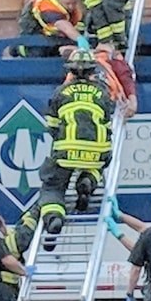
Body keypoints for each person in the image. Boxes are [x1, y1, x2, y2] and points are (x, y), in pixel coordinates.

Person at [38, 49, 115, 250]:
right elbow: (107, 125)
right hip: (97, 152)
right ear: (92, 71)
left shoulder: (60, 92)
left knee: (53, 187)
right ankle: (87, 181)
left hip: (65, 153)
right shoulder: (103, 92)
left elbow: (52, 127)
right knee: (99, 163)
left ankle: (54, 218)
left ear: (70, 71)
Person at [5, 0, 88, 58]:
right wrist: (79, 39)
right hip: (32, 21)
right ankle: (17, 48)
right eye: (68, 4)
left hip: (49, 28)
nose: (71, 7)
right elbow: (64, 26)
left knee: (55, 47)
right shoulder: (50, 8)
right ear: (60, 0)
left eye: (73, 3)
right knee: (37, 52)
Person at [61, 42, 138, 118]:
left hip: (105, 98)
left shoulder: (115, 61)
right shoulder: (79, 61)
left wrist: (133, 101)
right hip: (83, 101)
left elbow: (125, 79)